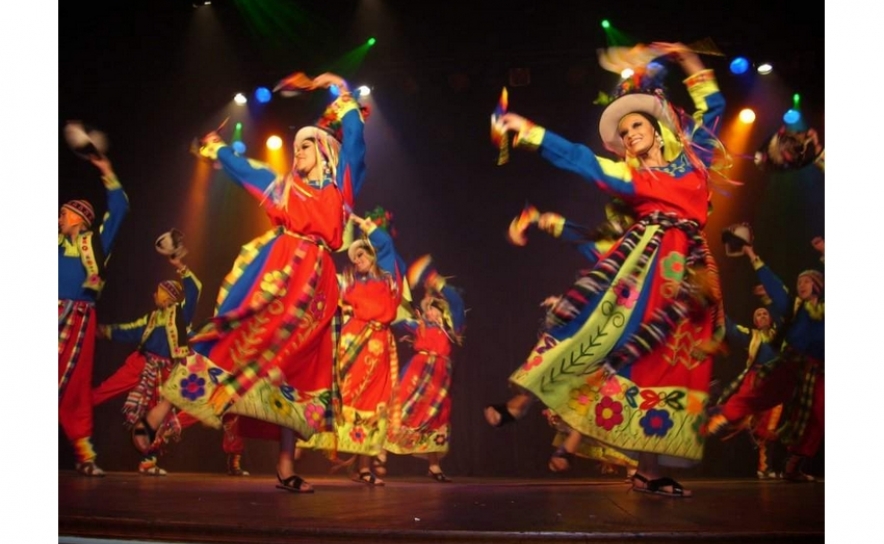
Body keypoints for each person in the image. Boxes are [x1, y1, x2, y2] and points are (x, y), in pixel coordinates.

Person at [485, 41, 729, 497]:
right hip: (643, 267)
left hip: (688, 271)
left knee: (668, 363)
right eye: (623, 131)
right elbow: (580, 159)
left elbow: (713, 106)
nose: (630, 133)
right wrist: (531, 132)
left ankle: (648, 471)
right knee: (598, 335)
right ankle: (522, 402)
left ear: (658, 131)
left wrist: (686, 58)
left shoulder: (694, 163)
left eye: (637, 124)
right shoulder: (634, 179)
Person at [162, 72, 368, 493]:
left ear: (327, 152)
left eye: (308, 144)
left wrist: (338, 88)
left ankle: (286, 467)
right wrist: (216, 148)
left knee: (295, 373)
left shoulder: (340, 187)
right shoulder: (284, 189)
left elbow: (356, 140)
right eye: (297, 146)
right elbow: (243, 170)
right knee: (236, 334)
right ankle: (162, 408)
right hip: (282, 276)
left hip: (319, 290)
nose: (299, 151)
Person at [298, 213, 406, 486]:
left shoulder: (389, 278)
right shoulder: (349, 283)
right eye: (354, 257)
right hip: (351, 342)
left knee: (372, 404)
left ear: (373, 255)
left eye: (362, 255)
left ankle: (364, 467)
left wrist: (369, 227)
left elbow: (387, 248)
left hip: (379, 346)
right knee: (337, 392)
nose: (357, 260)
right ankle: (301, 440)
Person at [707, 239, 824, 482]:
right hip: (789, 365)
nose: (801, 284)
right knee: (758, 398)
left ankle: (793, 465)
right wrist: (751, 253)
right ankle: (718, 417)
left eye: (807, 281)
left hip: (819, 370)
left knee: (817, 416)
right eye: (799, 280)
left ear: (818, 285)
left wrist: (825, 253)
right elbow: (776, 287)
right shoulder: (792, 310)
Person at [92, 256, 201, 475]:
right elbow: (131, 330)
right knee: (106, 389)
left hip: (167, 371)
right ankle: (76, 410)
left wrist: (181, 267)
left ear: (170, 296)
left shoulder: (181, 315)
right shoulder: (152, 317)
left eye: (159, 292)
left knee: (156, 417)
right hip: (142, 363)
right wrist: (108, 331)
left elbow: (195, 289)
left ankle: (148, 460)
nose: (154, 295)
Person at [59, 152, 129, 477]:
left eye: (64, 214)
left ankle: (84, 452)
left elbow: (119, 210)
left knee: (75, 383)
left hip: (81, 319)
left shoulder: (96, 245)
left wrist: (107, 171)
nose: (59, 218)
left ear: (78, 218)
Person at [384, 256, 466, 482]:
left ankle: (434, 466)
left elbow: (457, 301)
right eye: (428, 308)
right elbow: (393, 318)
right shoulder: (417, 326)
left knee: (436, 417)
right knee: (400, 409)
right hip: (416, 375)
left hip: (439, 377)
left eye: (435, 308)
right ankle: (380, 455)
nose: (431, 312)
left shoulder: (451, 328)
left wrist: (433, 279)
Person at [716, 290, 784, 479]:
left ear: (770, 318)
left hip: (775, 383)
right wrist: (719, 306)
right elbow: (731, 328)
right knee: (748, 423)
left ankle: (765, 467)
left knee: (770, 427)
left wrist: (767, 299)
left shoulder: (779, 333)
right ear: (755, 322)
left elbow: (782, 315)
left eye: (765, 313)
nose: (762, 316)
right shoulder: (752, 335)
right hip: (755, 382)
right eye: (758, 315)